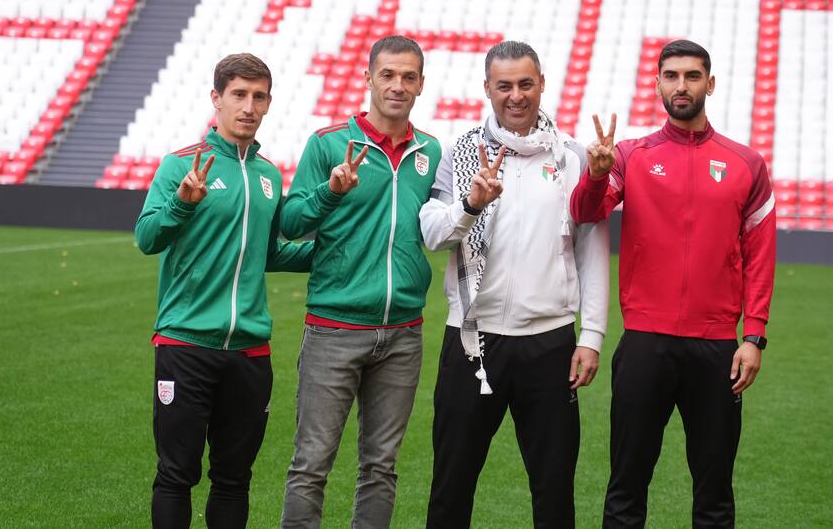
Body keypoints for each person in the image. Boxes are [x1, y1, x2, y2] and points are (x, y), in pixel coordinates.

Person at [569, 39, 777, 528]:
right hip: (645, 344)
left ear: (710, 83)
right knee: (626, 487)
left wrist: (754, 335)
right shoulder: (629, 155)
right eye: (670, 76)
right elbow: (585, 211)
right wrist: (596, 176)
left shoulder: (747, 164)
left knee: (714, 493)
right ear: (658, 83)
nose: (680, 86)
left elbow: (760, 256)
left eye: (690, 76)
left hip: (717, 349)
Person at [419, 40, 610, 528]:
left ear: (542, 84)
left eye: (526, 84)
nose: (516, 95)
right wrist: (471, 205)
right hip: (471, 340)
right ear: (487, 88)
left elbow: (591, 250)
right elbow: (434, 233)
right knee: (451, 485)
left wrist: (591, 336)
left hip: (549, 343)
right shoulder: (462, 151)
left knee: (553, 492)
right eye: (504, 85)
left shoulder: (571, 157)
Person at [135, 53, 315, 529]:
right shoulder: (181, 166)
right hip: (185, 344)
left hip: (250, 353)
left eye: (258, 97)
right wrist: (181, 204)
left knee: (235, 478)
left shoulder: (270, 175)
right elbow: (147, 238)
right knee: (176, 474)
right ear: (217, 99)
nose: (248, 107)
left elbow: (268, 253)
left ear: (269, 103)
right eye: (238, 95)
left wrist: (329, 256)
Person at [279, 35, 442, 528]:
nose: (398, 85)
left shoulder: (430, 151)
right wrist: (330, 192)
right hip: (334, 328)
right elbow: (290, 223)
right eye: (388, 74)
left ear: (420, 84)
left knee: (381, 467)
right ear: (367, 77)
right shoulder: (329, 143)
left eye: (408, 76)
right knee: (311, 465)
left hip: (403, 334)